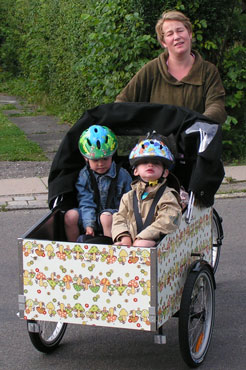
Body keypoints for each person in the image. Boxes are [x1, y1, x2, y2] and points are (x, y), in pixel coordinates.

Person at [115, 10, 227, 124]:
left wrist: (198, 123)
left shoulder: (208, 71)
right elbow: (122, 102)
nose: (176, 37)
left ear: (189, 33)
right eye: (170, 34)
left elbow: (216, 106)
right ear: (164, 42)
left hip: (195, 139)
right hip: (155, 141)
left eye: (180, 30)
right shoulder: (152, 70)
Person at [112, 133, 182, 247]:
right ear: (135, 171)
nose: (150, 165)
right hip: (132, 241)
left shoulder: (168, 196)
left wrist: (142, 237)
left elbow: (167, 220)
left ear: (165, 172)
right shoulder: (128, 197)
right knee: (120, 245)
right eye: (144, 162)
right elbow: (119, 218)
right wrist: (124, 236)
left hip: (156, 243)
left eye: (156, 163)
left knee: (142, 244)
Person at [64, 125, 132, 242]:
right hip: (90, 215)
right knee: (70, 216)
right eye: (95, 160)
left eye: (105, 159)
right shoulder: (84, 176)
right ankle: (74, 250)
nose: (101, 164)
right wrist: (89, 225)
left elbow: (129, 201)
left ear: (112, 155)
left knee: (105, 217)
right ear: (86, 158)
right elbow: (86, 201)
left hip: (114, 216)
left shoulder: (122, 175)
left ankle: (110, 250)